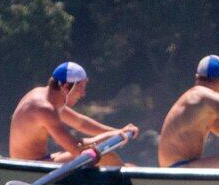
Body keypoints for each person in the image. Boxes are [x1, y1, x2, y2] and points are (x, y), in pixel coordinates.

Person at [8, 62, 138, 162]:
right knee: (106, 156)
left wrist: (118, 130)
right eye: (80, 88)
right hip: (31, 167)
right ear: (65, 87)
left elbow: (81, 123)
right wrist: (108, 137)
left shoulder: (47, 97)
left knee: (116, 161)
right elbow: (77, 148)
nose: (83, 93)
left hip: (42, 160)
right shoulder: (43, 109)